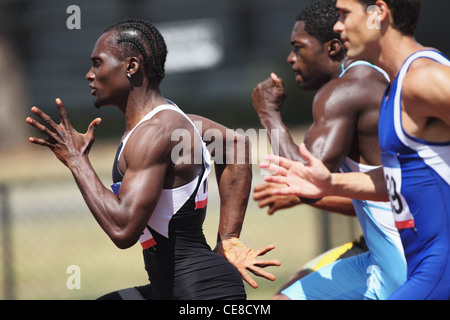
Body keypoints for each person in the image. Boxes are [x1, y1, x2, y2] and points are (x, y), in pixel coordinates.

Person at [26, 18, 280, 300]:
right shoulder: (174, 122)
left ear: (131, 67)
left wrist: (76, 160)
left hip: (199, 292)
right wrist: (229, 237)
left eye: (98, 63)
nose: (89, 74)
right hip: (175, 287)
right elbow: (236, 146)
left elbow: (123, 230)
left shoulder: (156, 132)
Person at [262, 0, 450, 300]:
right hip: (409, 261)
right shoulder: (394, 88)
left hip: (438, 268)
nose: (337, 26)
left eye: (344, 14)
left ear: (379, 13)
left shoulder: (424, 78)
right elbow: (396, 179)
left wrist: (269, 116)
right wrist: (331, 183)